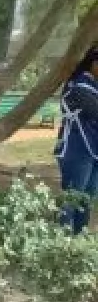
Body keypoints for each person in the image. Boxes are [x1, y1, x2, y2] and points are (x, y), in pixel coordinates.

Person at [55, 46, 98, 232]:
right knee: (72, 198)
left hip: (92, 150)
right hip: (76, 149)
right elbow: (94, 111)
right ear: (94, 64)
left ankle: (78, 241)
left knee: (86, 200)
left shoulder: (93, 86)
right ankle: (62, 239)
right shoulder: (79, 86)